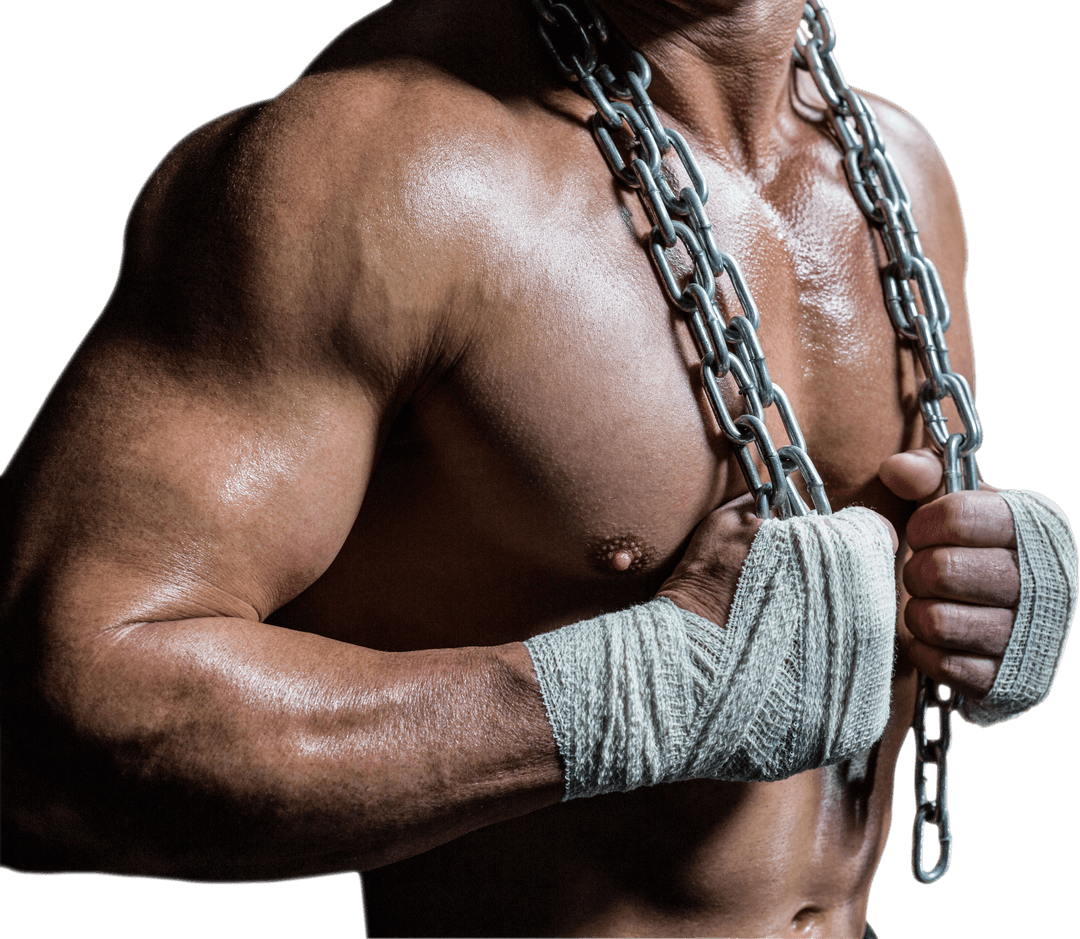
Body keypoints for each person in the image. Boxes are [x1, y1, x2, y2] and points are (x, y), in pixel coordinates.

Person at [0, 1, 1074, 937]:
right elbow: (38, 741)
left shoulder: (899, 166)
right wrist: (621, 696)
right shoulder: (373, 167)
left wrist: (961, 592)